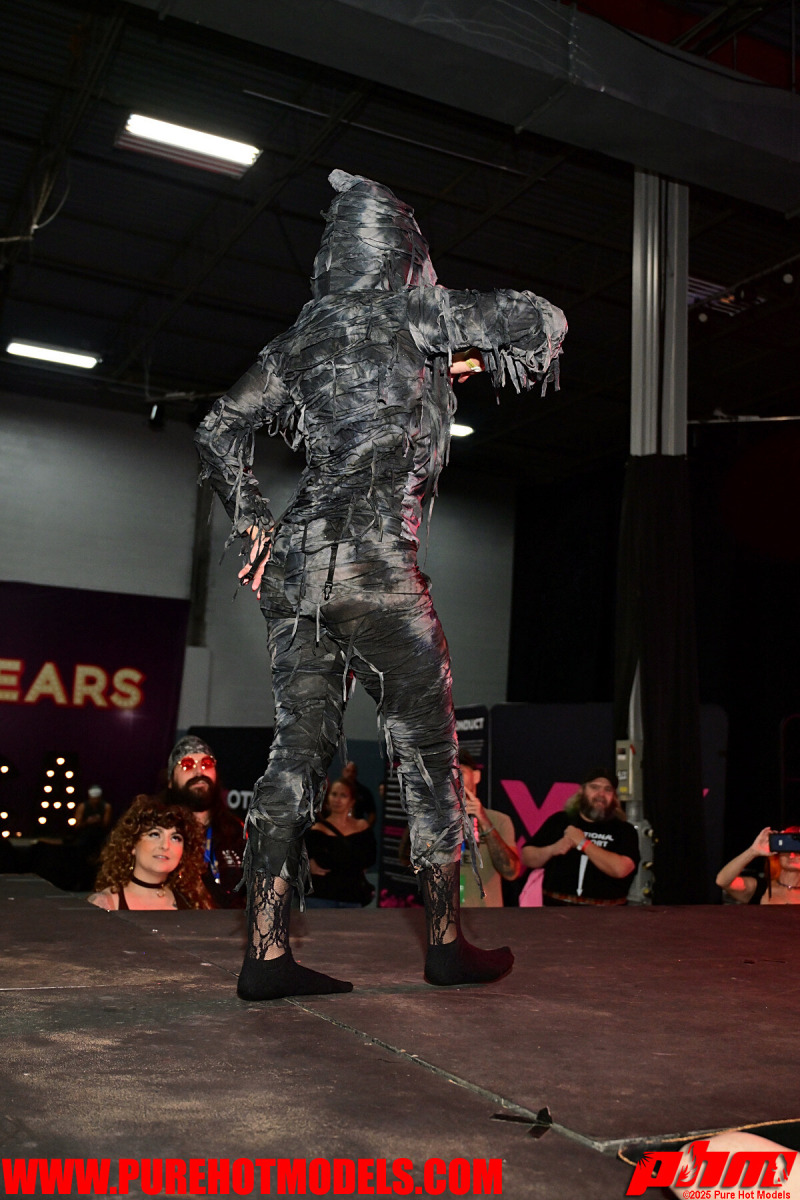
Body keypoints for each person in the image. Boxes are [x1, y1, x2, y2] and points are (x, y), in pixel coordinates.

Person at [195, 168, 566, 1000]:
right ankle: (446, 945)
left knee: (298, 747)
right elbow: (542, 318)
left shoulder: (301, 337)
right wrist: (458, 342)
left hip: (296, 563)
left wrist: (252, 521)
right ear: (403, 250)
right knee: (428, 751)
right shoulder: (414, 311)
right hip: (372, 564)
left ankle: (265, 954)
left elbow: (218, 427)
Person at [521, 769, 639, 906]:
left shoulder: (624, 830)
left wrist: (583, 843)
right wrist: (552, 849)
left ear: (614, 796)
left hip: (607, 913)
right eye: (594, 787)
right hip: (555, 910)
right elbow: (526, 857)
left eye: (608, 789)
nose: (601, 794)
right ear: (582, 791)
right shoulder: (560, 821)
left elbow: (621, 869)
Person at [162, 735, 246, 908]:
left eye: (206, 763)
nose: (199, 772)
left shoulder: (238, 831)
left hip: (230, 922)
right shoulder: (156, 831)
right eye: (187, 765)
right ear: (170, 781)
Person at [88, 796, 212, 911]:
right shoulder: (105, 904)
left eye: (175, 838)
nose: (165, 845)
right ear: (132, 844)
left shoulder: (192, 903)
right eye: (155, 834)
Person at [458, 752, 521, 906]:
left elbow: (511, 872)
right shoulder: (436, 820)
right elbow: (409, 860)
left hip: (485, 915)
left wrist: (483, 820)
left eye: (460, 772)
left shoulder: (499, 820)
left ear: (476, 776)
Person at [305, 778, 376, 908]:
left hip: (352, 896)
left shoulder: (362, 827)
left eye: (343, 795)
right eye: (334, 794)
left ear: (352, 801)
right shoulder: (317, 830)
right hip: (321, 897)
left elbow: (370, 858)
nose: (337, 799)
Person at [716, 825, 800, 904]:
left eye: (798, 851)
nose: (792, 855)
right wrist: (753, 851)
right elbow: (722, 881)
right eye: (787, 848)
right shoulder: (760, 888)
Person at [340, 760, 376, 827]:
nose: (350, 774)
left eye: (353, 771)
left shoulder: (364, 792)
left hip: (357, 827)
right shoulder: (335, 790)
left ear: (356, 773)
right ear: (343, 772)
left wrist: (366, 828)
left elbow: (372, 814)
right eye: (347, 771)